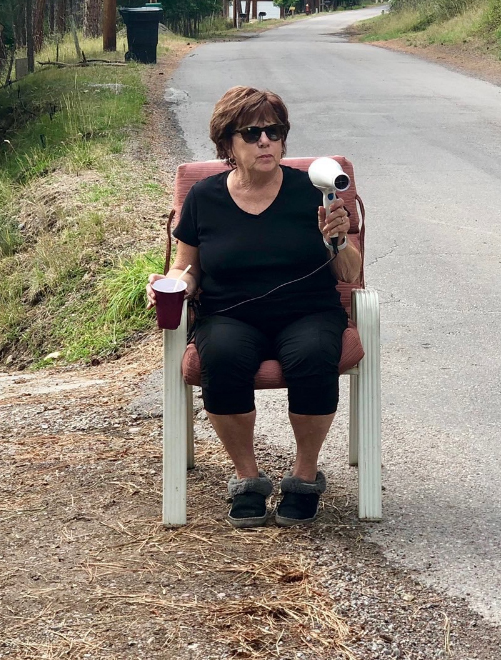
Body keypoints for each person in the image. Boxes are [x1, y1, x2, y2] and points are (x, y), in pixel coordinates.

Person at [146, 86, 362, 528]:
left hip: (308, 311)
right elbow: (188, 268)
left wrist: (336, 239)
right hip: (230, 314)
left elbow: (350, 275)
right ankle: (247, 479)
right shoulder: (204, 198)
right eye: (252, 132)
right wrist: (173, 286)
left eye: (275, 131)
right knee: (222, 357)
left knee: (313, 354)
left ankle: (303, 478)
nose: (266, 141)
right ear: (227, 143)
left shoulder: (315, 192)